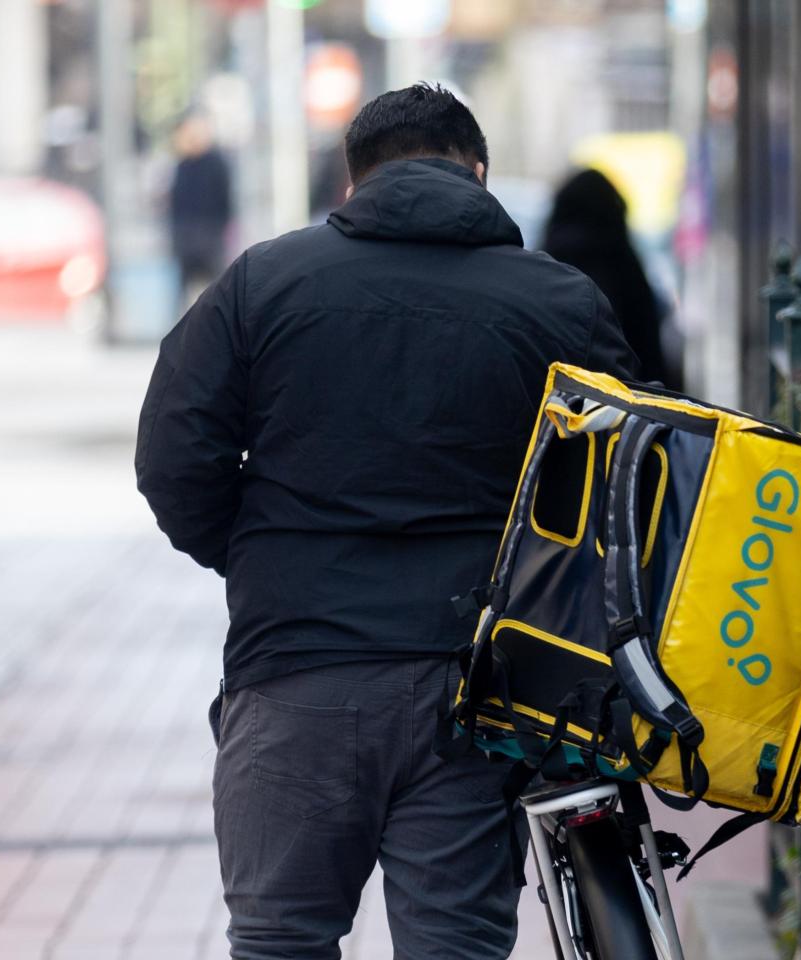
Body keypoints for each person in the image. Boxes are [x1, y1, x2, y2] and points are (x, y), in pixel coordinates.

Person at [135, 84, 637, 958]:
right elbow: (629, 480)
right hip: (474, 688)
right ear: (478, 174)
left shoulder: (262, 283)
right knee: (453, 945)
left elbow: (173, 459)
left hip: (295, 668)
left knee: (280, 940)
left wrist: (263, 561)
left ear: (353, 181)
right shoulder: (558, 300)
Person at [542, 168, 672, 387]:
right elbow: (649, 348)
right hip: (620, 397)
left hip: (554, 398)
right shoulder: (624, 266)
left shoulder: (546, 263)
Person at [167, 116, 234, 303]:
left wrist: (218, 230)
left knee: (218, 290)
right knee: (184, 291)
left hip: (209, 237)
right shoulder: (183, 165)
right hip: (186, 237)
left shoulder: (216, 163)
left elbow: (224, 201)